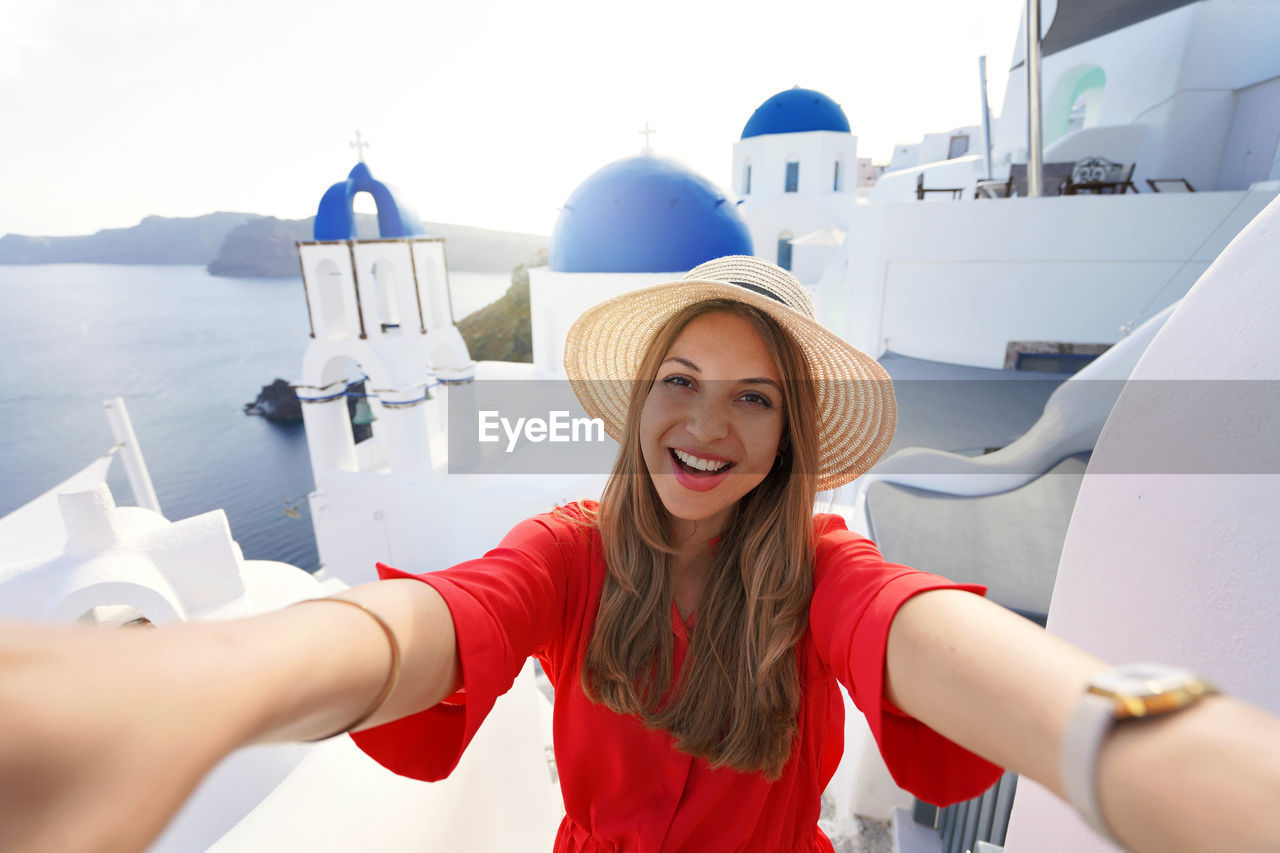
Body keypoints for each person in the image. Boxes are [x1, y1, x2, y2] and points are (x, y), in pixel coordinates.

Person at [1, 257, 1278, 853]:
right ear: (638, 400)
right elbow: (432, 623)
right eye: (680, 379)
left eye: (753, 398)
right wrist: (202, 684)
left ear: (789, 437)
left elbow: (951, 648)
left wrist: (1164, 745)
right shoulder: (568, 554)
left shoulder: (825, 572)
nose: (707, 424)